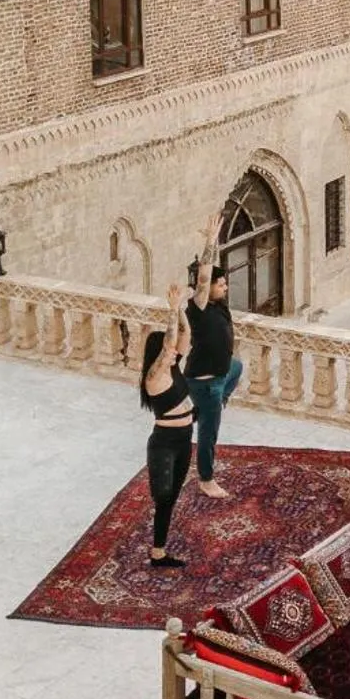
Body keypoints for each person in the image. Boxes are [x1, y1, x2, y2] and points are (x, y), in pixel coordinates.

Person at [138, 283, 216, 572]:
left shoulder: (172, 368)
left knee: (172, 498)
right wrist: (171, 310)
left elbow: (186, 336)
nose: (174, 354)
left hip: (185, 439)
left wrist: (182, 310)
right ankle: (157, 552)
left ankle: (159, 552)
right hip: (164, 443)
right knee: (163, 496)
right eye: (167, 352)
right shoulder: (155, 377)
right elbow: (171, 343)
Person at [184, 214, 244, 486]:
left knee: (237, 366)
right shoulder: (199, 306)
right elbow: (204, 276)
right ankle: (206, 479)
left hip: (222, 374)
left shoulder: (219, 305)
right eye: (221, 285)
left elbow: (212, 274)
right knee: (209, 432)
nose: (225, 287)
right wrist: (209, 241)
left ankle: (215, 403)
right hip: (205, 382)